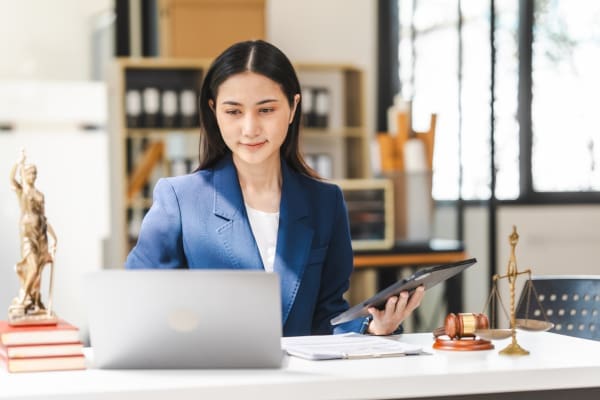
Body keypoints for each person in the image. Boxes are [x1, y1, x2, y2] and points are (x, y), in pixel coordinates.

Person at [126, 40, 424, 336]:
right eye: (233, 112)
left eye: (266, 110)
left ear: (293, 108)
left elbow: (327, 315)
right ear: (214, 112)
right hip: (213, 376)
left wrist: (371, 326)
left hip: (300, 381)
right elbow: (136, 304)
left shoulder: (325, 203)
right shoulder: (180, 200)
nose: (250, 128)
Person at [9, 149, 57, 318]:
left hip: (40, 235)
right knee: (33, 266)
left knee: (39, 270)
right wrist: (18, 162)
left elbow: (44, 218)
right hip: (28, 234)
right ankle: (23, 298)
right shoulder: (23, 191)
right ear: (25, 174)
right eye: (30, 172)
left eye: (34, 172)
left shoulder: (39, 195)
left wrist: (54, 237)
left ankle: (35, 300)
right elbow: (11, 179)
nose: (33, 175)